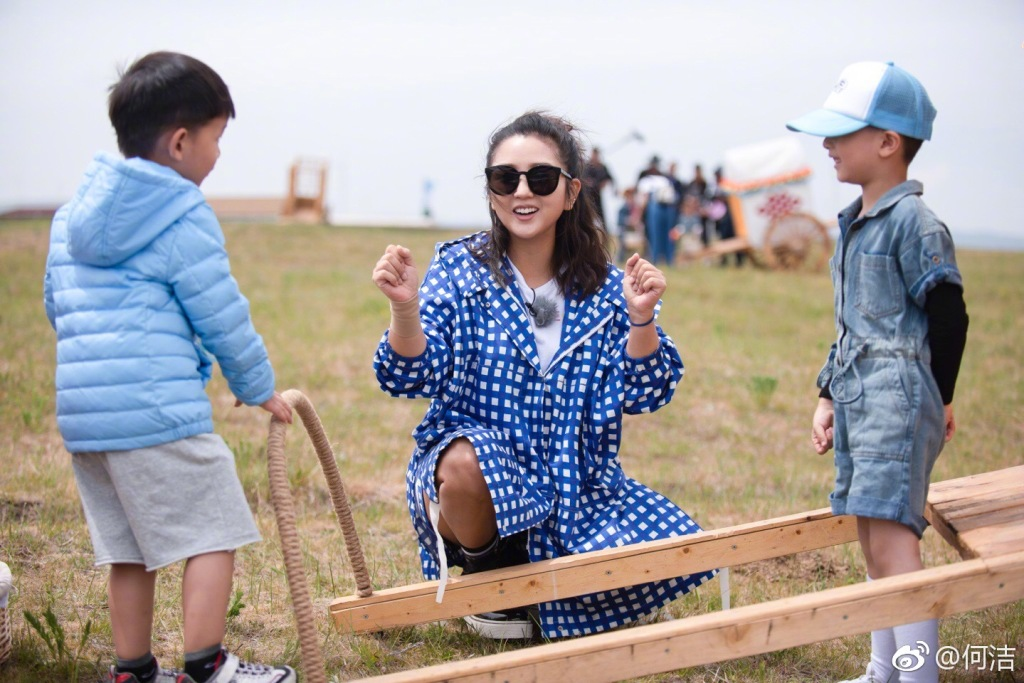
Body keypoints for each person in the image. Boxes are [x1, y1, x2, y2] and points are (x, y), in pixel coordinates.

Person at [371, 111, 715, 641]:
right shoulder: (459, 269)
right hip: (481, 477)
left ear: (572, 191)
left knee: (662, 557)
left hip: (574, 491)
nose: (522, 192)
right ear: (490, 191)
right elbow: (407, 375)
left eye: (542, 178)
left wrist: (642, 317)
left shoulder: (604, 287)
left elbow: (648, 390)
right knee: (465, 462)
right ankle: (491, 577)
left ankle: (552, 583)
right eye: (505, 178)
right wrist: (405, 308)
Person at [43, 52, 296, 683]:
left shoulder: (73, 214)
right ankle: (207, 666)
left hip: (87, 421)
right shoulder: (182, 214)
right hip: (158, 415)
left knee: (129, 549)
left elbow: (58, 305)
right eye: (217, 139)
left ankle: (132, 670)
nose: (218, 154)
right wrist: (256, 387)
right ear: (181, 142)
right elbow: (221, 315)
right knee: (212, 528)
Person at [788, 61, 968, 683]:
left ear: (888, 142)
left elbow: (950, 316)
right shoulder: (854, 224)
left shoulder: (915, 225)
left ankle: (918, 674)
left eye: (842, 133)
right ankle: (882, 668)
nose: (828, 145)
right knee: (871, 535)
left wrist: (938, 397)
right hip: (863, 398)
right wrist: (828, 395)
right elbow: (852, 329)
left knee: (894, 540)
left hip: (897, 399)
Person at [582, 146, 615, 231]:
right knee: (586, 218)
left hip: (598, 196)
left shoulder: (602, 167)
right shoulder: (587, 166)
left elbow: (610, 179)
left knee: (602, 218)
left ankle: (605, 238)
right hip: (588, 196)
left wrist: (605, 184)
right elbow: (584, 179)